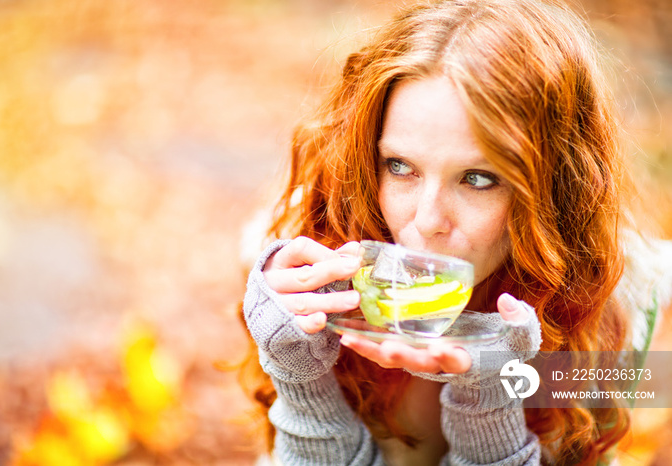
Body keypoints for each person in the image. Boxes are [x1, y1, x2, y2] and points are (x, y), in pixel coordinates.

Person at [238, 0, 672, 464]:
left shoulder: (619, 304)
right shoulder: (304, 258)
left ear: (552, 193)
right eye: (400, 167)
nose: (426, 220)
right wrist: (300, 380)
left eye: (477, 178)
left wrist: (496, 393)